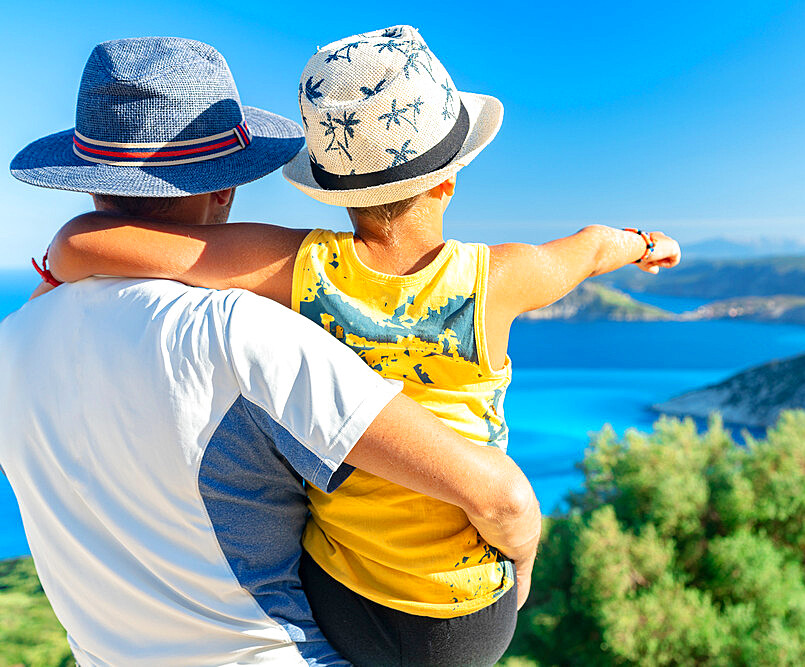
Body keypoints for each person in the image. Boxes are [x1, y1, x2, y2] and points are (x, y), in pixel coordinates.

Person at [42, 26, 680, 666]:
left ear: (331, 189)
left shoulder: (296, 266)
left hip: (344, 596)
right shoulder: (503, 278)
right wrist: (644, 242)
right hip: (466, 618)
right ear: (447, 180)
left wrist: (58, 277)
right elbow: (595, 246)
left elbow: (83, 242)